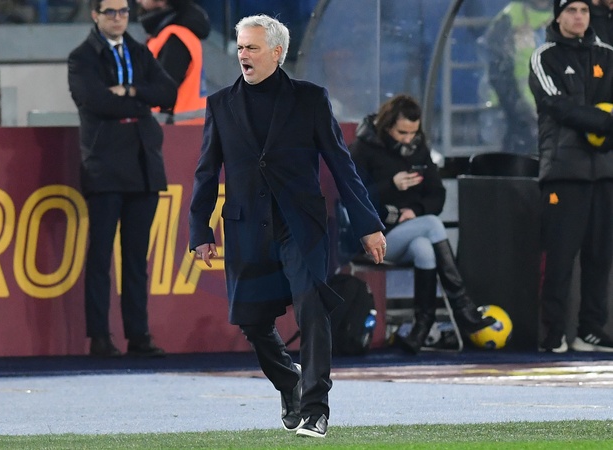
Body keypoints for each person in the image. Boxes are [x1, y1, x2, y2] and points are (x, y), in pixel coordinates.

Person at [188, 14, 386, 438]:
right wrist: (199, 230)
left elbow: (341, 165)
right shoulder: (220, 104)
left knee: (311, 305)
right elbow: (206, 172)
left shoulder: (310, 99)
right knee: (253, 322)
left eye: (252, 47)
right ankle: (289, 381)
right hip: (246, 228)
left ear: (277, 53)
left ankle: (315, 407)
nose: (243, 54)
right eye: (240, 47)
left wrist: (368, 224)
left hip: (300, 224)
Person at [68, 0, 177, 357]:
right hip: (104, 166)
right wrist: (142, 101)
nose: (118, 18)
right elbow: (96, 101)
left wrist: (130, 91)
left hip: (143, 164)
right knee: (100, 256)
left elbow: (168, 93)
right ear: (95, 15)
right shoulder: (82, 57)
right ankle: (100, 336)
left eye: (124, 12)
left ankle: (138, 335)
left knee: (135, 258)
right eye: (110, 12)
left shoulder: (139, 51)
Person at [348, 94, 496, 355]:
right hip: (375, 237)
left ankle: (421, 329)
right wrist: (391, 185)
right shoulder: (364, 148)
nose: (408, 139)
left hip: (411, 229)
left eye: (413, 133)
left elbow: (437, 194)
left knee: (424, 248)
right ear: (387, 126)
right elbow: (353, 196)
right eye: (402, 133)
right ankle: (463, 308)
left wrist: (415, 211)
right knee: (432, 225)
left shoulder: (418, 148)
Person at [529, 0, 613, 352]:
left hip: (604, 170)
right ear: (558, 15)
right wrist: (604, 122)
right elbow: (555, 105)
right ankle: (554, 332)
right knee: (560, 257)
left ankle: (590, 329)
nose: (579, 17)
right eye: (572, 10)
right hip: (564, 170)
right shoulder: (544, 57)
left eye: (584, 10)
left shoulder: (607, 54)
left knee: (600, 256)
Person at [479, 0, 552, 155]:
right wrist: (520, 109)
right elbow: (498, 71)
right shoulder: (510, 17)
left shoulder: (568, 12)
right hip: (514, 115)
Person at [137, 0, 210, 123]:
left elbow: (162, 93)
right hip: (181, 128)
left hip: (174, 130)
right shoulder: (168, 35)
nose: (138, 1)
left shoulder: (175, 39)